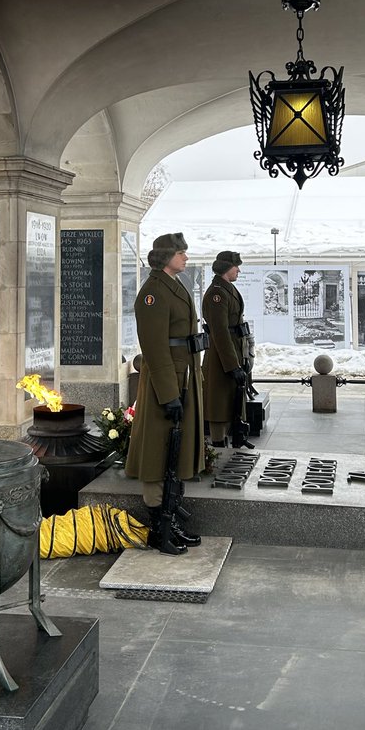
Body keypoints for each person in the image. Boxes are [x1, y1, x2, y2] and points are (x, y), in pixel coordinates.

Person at [125, 232, 205, 554]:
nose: (186, 257)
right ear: (166, 255)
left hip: (182, 378)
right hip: (166, 384)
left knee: (176, 455)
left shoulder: (173, 285)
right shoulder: (153, 292)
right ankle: (159, 529)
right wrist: (169, 393)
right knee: (160, 457)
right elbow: (155, 348)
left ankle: (171, 522)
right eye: (180, 252)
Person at [202, 251, 250, 448]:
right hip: (221, 356)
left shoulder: (227, 289)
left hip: (233, 351)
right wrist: (232, 366)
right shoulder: (217, 293)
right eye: (235, 266)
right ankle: (218, 444)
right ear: (225, 268)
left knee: (231, 400)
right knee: (219, 403)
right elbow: (220, 332)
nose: (238, 269)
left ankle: (232, 438)